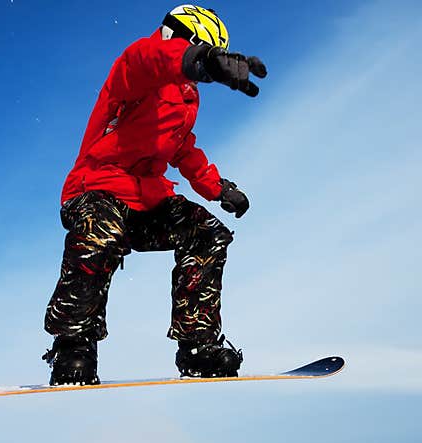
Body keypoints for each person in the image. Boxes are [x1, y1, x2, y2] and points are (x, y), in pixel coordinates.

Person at [42, 5, 267, 385]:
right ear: (185, 41)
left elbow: (182, 149)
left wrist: (219, 188)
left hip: (145, 201)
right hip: (97, 188)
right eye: (203, 52)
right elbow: (152, 60)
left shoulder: (185, 99)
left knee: (207, 233)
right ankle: (74, 345)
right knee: (101, 231)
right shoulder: (136, 65)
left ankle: (198, 347)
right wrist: (203, 59)